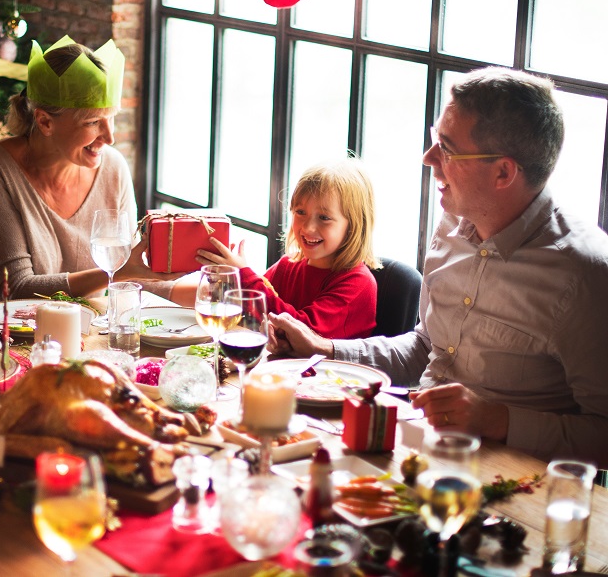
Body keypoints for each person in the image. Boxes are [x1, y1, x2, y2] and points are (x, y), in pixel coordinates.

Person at [269, 67, 608, 465]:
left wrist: (500, 420)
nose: (429, 159)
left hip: (515, 485)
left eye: (447, 148)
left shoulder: (584, 273)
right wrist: (325, 348)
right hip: (418, 451)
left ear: (503, 171)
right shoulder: (451, 226)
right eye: (435, 140)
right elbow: (426, 348)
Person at [0, 36, 170, 299]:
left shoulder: (113, 166)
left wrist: (221, 279)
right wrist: (119, 272)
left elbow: (139, 277)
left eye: (111, 119)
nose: (110, 138)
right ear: (45, 122)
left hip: (91, 335)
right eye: (93, 122)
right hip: (10, 334)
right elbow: (16, 288)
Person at [193, 159, 379, 339]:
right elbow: (247, 309)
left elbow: (300, 332)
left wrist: (244, 276)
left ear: (354, 225)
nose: (307, 228)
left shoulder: (358, 284)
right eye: (300, 212)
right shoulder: (288, 265)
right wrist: (221, 278)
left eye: (324, 217)